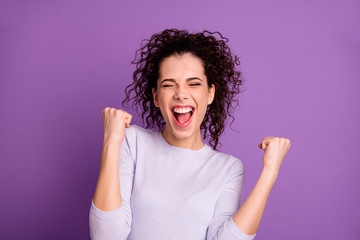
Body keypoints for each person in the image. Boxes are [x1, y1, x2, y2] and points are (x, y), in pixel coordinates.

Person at [89, 28, 291, 240]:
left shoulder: (229, 168)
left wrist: (270, 172)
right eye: (169, 85)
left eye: (193, 84)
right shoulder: (131, 142)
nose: (181, 94)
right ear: (156, 97)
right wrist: (110, 143)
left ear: (210, 93)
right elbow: (105, 236)